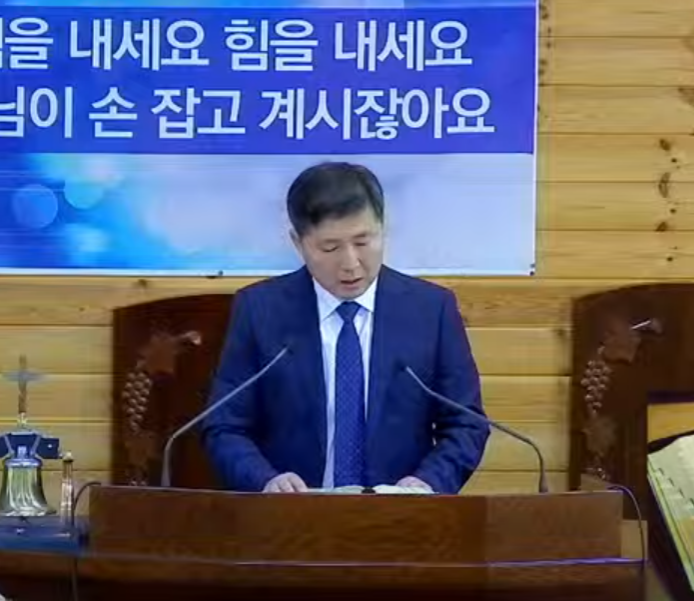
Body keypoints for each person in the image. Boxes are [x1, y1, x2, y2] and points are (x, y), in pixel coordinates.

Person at [201, 161, 490, 494]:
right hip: (293, 514)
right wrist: (265, 480)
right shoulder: (260, 310)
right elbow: (224, 426)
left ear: (383, 228)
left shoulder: (431, 310)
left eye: (363, 242)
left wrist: (428, 483)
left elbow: (466, 423)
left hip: (402, 514)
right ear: (297, 242)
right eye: (330, 247)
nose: (350, 263)